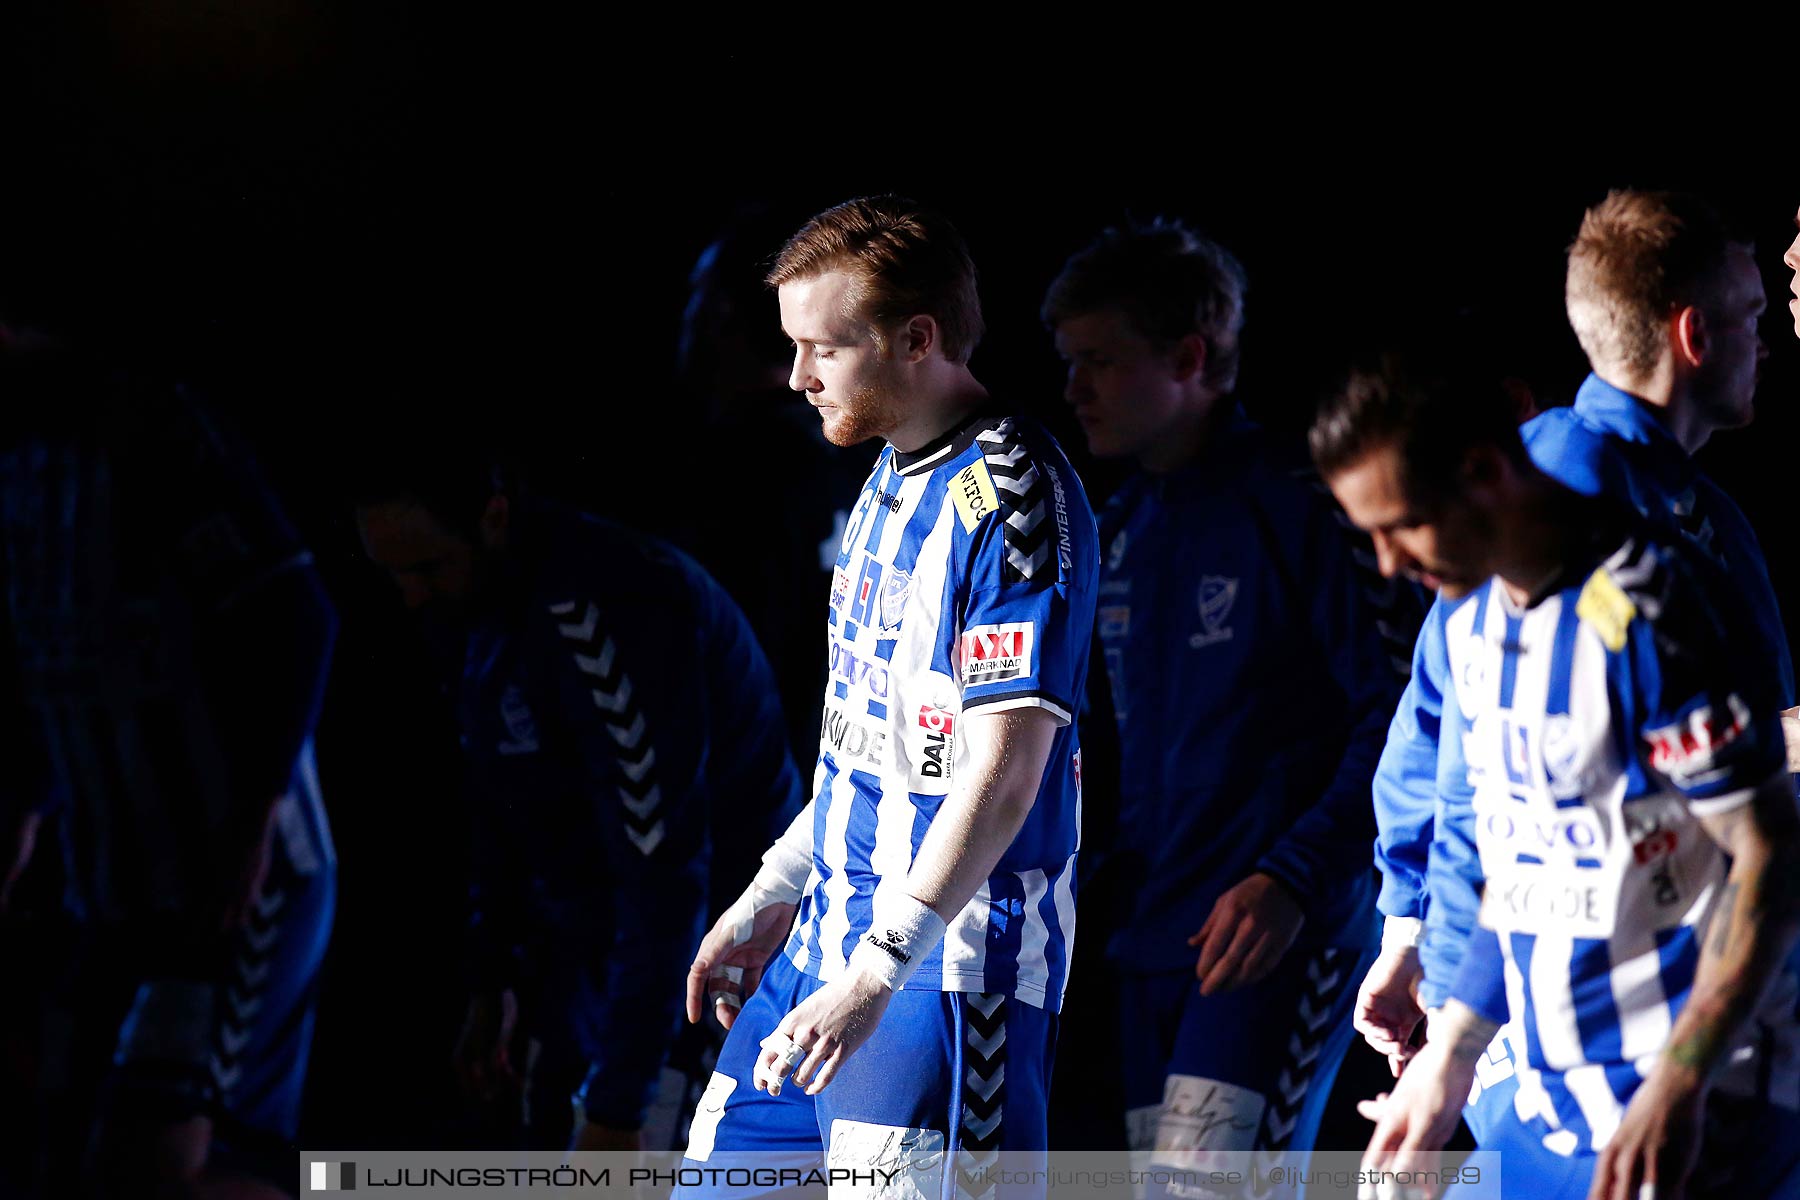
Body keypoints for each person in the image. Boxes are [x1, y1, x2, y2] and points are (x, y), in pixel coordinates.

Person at [677, 196, 1098, 1189]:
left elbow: (1001, 779)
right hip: (819, 948)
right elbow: (873, 741)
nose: (795, 376)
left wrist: (877, 968)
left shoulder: (1014, 498)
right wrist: (773, 890)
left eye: (822, 346)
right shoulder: (883, 469)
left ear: (918, 339)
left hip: (937, 978)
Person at [1355, 191, 1791, 1147]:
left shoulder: (1706, 517)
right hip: (1571, 1034)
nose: (1776, 334)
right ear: (1693, 334)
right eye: (1756, 317)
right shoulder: (1561, 492)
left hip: (1707, 1022)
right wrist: (1425, 949)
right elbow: (1477, 762)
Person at [1040, 220, 1413, 1167]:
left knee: (1209, 1193)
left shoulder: (1304, 505)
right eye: (1068, 361)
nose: (1074, 387)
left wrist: (1294, 876)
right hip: (1150, 941)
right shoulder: (1115, 527)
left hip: (1273, 941)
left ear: (1190, 358)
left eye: (1101, 360)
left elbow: (1405, 713)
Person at [355, 452, 803, 1152]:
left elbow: (665, 879)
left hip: (710, 959)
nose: (411, 595)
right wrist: (490, 977)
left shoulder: (614, 608)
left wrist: (621, 1106)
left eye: (427, 568)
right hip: (591, 951)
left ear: (493, 518)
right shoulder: (468, 609)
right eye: (394, 574)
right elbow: (498, 799)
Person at [0, 331, 337, 1198]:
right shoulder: (24, 461)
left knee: (175, 1164)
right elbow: (57, 646)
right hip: (115, 888)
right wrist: (30, 808)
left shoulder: (148, 427)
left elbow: (297, 617)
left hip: (230, 884)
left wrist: (252, 821)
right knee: (73, 1147)